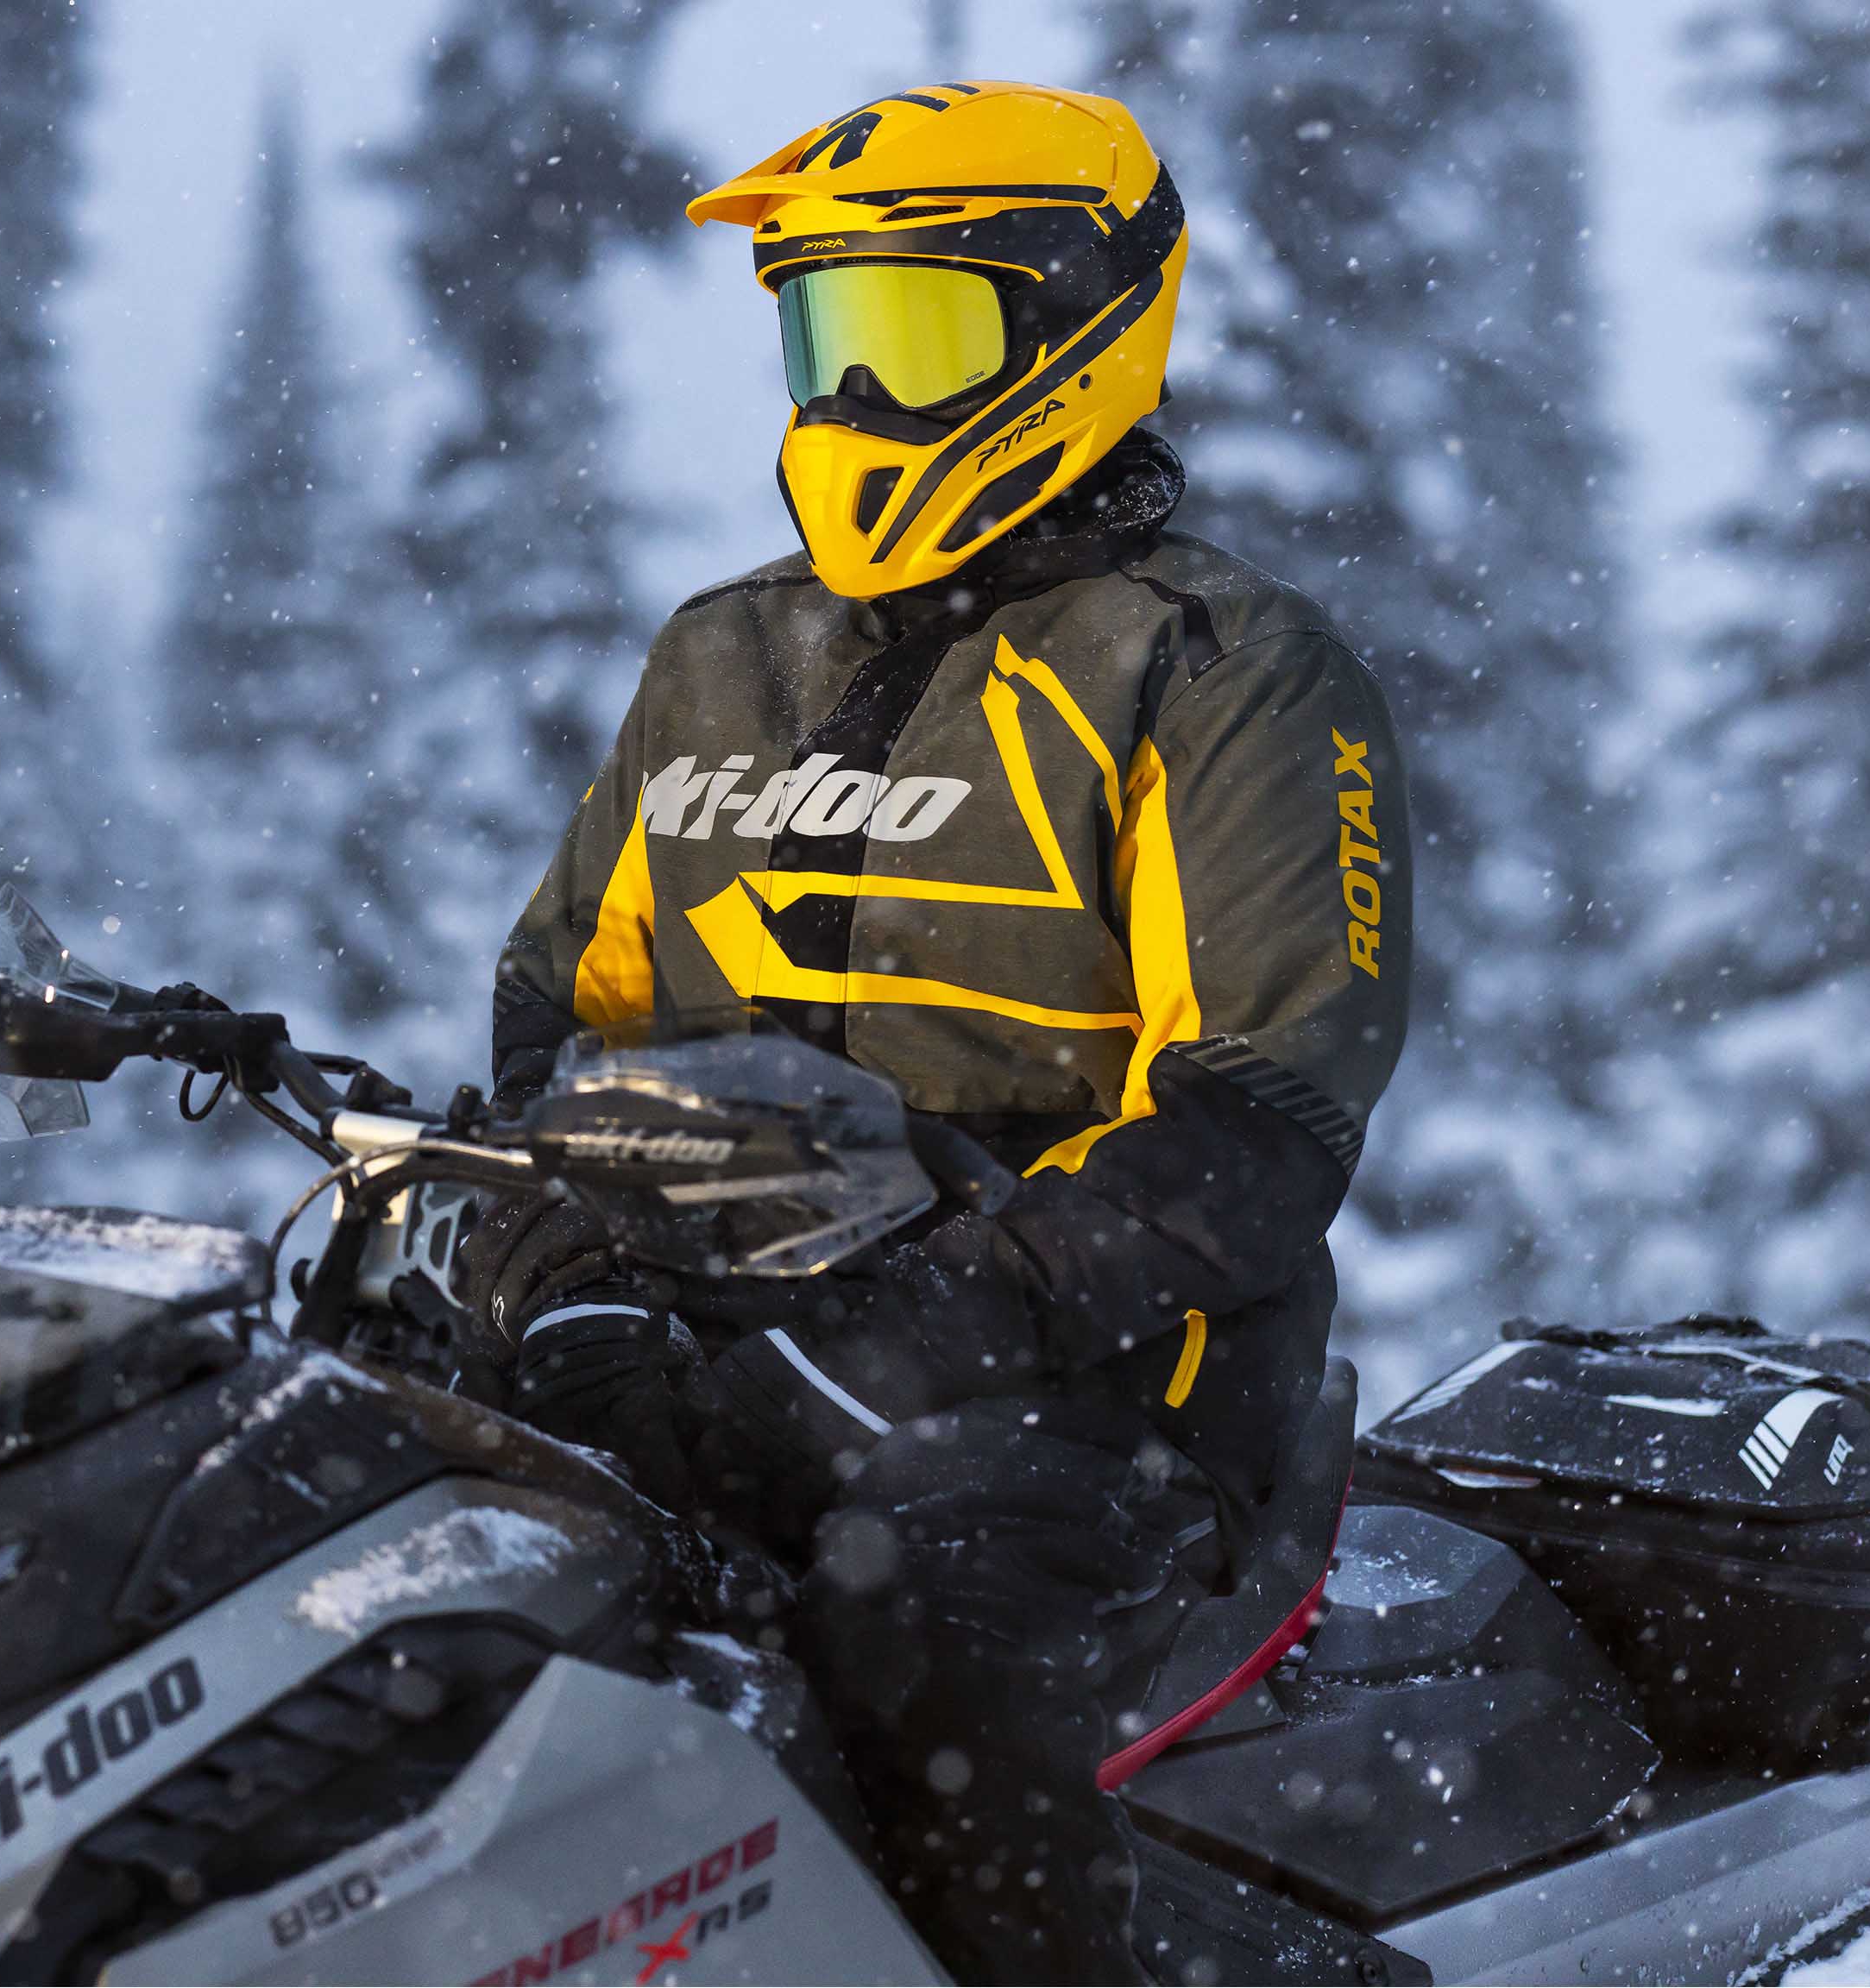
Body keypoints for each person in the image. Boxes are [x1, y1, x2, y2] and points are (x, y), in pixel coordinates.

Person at [463, 81, 1414, 1985]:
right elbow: (558, 1032)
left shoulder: (1209, 665)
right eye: (828, 335)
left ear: (1073, 327)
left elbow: (1252, 1124)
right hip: (722, 1337)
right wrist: (538, 1245)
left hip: (1095, 1395)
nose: (852, 400)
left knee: (913, 1607)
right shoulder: (718, 656)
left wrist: (912, 1329)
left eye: (914, 333)